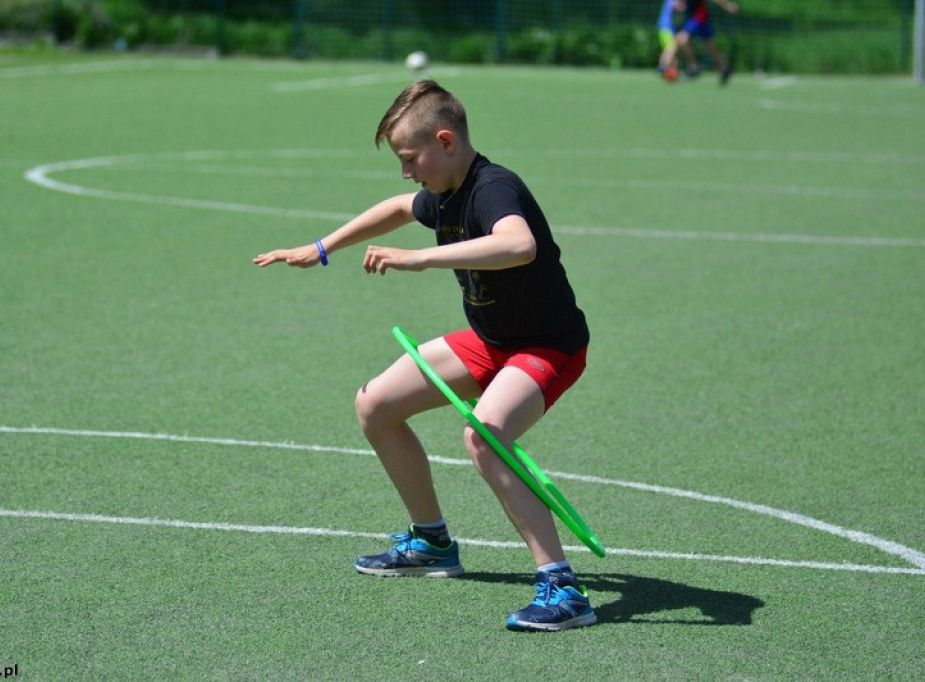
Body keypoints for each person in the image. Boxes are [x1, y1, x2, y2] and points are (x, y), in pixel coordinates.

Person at [253, 80, 597, 632]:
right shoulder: (444, 192)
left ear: (446, 141)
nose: (407, 173)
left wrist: (417, 260)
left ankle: (562, 586)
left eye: (410, 159)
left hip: (547, 345)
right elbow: (396, 207)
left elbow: (519, 244)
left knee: (485, 435)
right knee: (376, 404)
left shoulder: (493, 188)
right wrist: (321, 249)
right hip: (490, 342)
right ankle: (432, 543)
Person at [676, 0, 740, 85]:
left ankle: (694, 66)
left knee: (682, 38)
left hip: (699, 16)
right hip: (694, 17)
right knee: (709, 45)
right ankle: (723, 68)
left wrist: (727, 5)